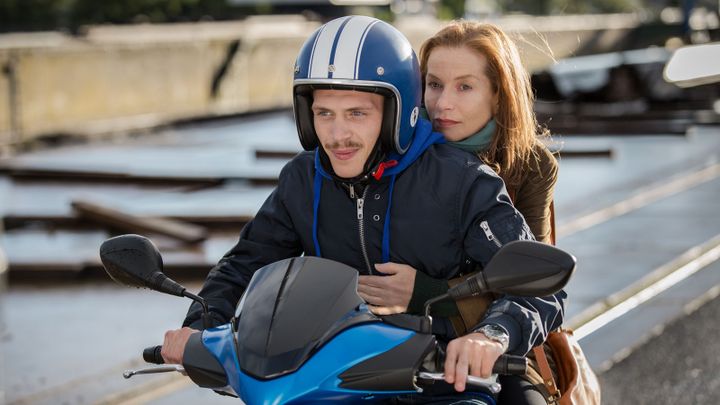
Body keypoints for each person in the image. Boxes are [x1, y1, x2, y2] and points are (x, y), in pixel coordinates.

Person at [161, 15, 565, 404]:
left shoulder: (465, 178)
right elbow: (245, 263)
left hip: (448, 367)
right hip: (331, 374)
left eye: (357, 113)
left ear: (394, 112)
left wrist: (491, 335)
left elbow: (535, 282)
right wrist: (199, 327)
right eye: (324, 113)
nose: (338, 135)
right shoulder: (303, 178)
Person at [357, 21, 560, 404]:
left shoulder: (533, 166)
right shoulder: (390, 153)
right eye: (433, 85)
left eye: (464, 87)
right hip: (395, 336)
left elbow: (531, 282)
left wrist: (429, 293)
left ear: (499, 95)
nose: (442, 104)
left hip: (496, 341)